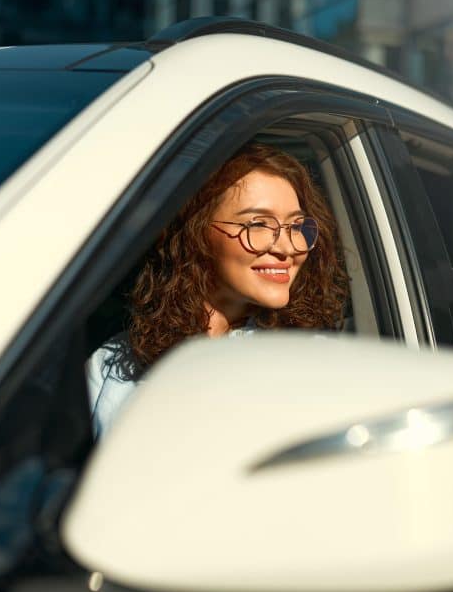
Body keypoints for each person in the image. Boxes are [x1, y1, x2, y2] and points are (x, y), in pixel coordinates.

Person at [86, 142, 349, 437]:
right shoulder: (111, 365)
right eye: (259, 224)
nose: (287, 248)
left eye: (296, 226)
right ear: (194, 232)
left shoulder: (316, 366)